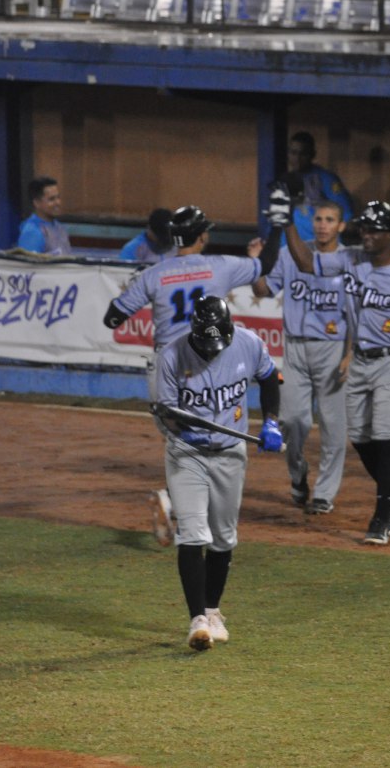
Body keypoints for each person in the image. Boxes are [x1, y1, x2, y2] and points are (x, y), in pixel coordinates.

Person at [275, 197, 390, 546]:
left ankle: (384, 508)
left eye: (374, 229)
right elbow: (306, 262)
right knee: (360, 438)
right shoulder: (351, 258)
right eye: (363, 228)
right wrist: (286, 225)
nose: (366, 234)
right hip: (359, 359)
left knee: (386, 436)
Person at [103, 205, 274, 545]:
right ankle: (185, 511)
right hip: (207, 363)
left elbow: (113, 318)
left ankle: (180, 506)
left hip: (166, 366)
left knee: (182, 441)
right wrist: (266, 243)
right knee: (213, 442)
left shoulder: (156, 273)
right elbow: (266, 267)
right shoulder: (219, 266)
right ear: (203, 236)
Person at [153, 295, 283, 650]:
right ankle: (197, 619)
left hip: (230, 453)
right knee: (193, 534)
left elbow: (271, 379)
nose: (212, 352)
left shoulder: (249, 344)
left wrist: (271, 423)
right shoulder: (171, 356)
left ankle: (212, 610)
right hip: (187, 451)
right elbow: (164, 411)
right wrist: (182, 426)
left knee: (224, 538)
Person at [251, 198, 350, 515]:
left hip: (333, 348)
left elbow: (357, 313)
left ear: (341, 226)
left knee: (334, 426)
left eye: (330, 219)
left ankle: (324, 493)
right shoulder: (289, 254)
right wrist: (256, 266)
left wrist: (350, 354)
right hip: (294, 346)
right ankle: (298, 476)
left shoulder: (351, 260)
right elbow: (263, 290)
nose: (323, 225)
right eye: (319, 218)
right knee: (292, 419)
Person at [285, 131, 354, 242]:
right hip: (288, 246)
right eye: (293, 153)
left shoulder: (326, 179)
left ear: (312, 154)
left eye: (303, 154)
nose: (297, 158)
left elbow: (346, 214)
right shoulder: (284, 180)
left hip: (318, 247)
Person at [16, 176, 72, 256]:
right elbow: (28, 266)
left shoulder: (59, 228)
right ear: (37, 203)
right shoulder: (32, 232)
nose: (57, 203)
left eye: (58, 197)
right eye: (51, 199)